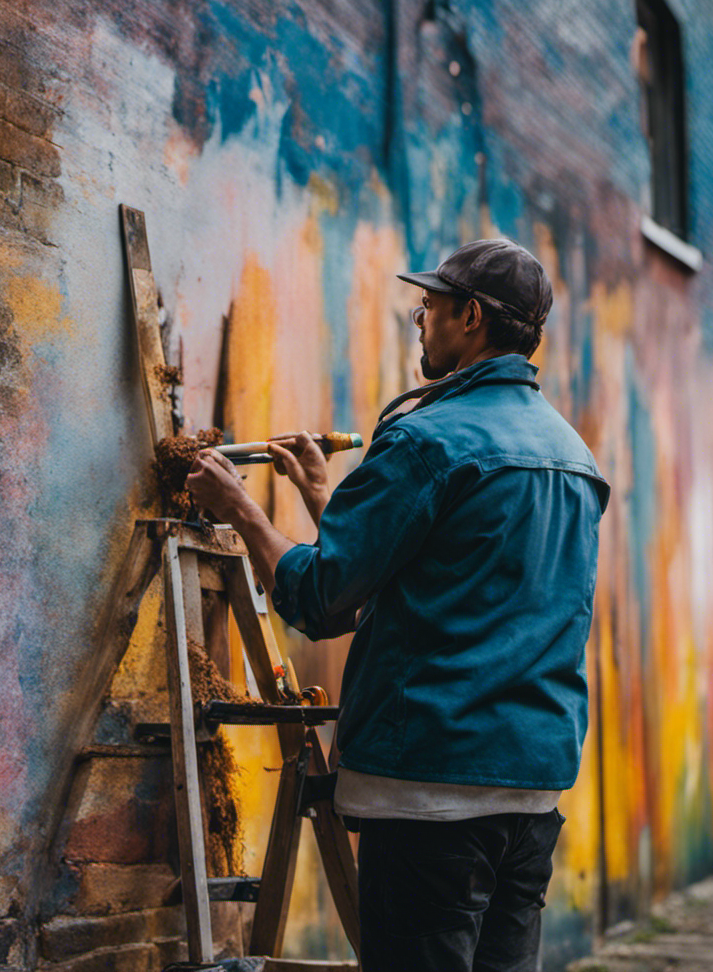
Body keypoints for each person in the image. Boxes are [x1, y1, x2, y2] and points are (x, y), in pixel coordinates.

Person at [187, 239, 609, 972]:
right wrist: (327, 499)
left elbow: (323, 600)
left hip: (431, 792)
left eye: (433, 306)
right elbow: (449, 573)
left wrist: (239, 508)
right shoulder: (573, 455)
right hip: (533, 789)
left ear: (470, 318)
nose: (421, 319)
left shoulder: (426, 439)